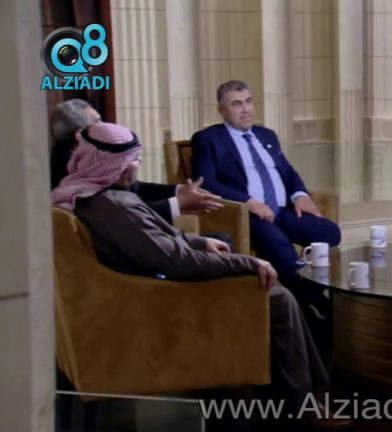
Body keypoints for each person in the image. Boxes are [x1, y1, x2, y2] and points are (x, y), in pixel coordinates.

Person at [51, 122, 351, 431]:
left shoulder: (87, 194)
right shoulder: (114, 205)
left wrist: (198, 241)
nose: (137, 165)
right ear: (113, 165)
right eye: (133, 159)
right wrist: (247, 263)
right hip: (156, 300)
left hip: (145, 286)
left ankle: (298, 394)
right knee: (276, 297)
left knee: (270, 288)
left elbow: (149, 244)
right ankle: (301, 404)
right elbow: (177, 262)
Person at [190, 80, 341, 283]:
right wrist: (249, 202)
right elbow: (206, 182)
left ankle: (317, 287)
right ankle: (307, 296)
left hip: (282, 211)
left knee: (329, 232)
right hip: (246, 215)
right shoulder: (208, 139)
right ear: (222, 111)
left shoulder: (266, 135)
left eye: (248, 101)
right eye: (236, 104)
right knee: (280, 247)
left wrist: (300, 194)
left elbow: (287, 171)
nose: (245, 109)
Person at [49, 98, 222, 223]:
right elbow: (119, 216)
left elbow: (135, 187)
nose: (106, 125)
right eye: (98, 122)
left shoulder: (87, 156)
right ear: (80, 134)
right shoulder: (69, 172)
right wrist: (179, 202)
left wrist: (178, 190)